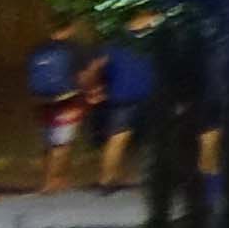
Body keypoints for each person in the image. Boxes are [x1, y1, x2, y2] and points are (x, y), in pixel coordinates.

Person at [23, 20, 93, 190]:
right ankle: (54, 181)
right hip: (67, 99)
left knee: (48, 141)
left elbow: (30, 73)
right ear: (69, 28)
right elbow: (83, 75)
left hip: (41, 99)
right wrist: (89, 92)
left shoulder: (38, 49)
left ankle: (48, 179)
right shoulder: (74, 48)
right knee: (62, 143)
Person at [92, 32, 156, 189]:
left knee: (118, 139)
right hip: (145, 97)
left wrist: (96, 89)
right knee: (145, 139)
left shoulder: (112, 45)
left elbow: (97, 68)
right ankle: (138, 177)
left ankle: (108, 179)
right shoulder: (151, 46)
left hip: (121, 98)